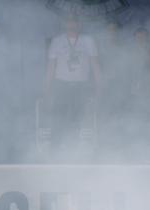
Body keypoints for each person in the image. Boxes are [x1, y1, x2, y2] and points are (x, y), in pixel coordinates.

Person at [44, 15, 102, 156]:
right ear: (65, 24)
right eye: (69, 22)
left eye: (75, 22)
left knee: (78, 117)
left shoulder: (88, 41)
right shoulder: (57, 41)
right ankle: (55, 149)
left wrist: (100, 87)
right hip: (61, 85)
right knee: (58, 117)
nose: (72, 25)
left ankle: (74, 149)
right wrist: (45, 90)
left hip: (81, 86)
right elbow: (51, 67)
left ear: (79, 24)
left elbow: (95, 66)